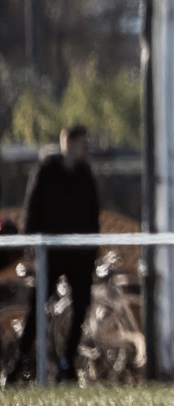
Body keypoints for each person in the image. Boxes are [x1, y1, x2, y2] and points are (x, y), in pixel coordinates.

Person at [18, 125, 102, 383]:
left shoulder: (85, 175)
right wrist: (31, 240)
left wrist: (93, 246)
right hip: (51, 252)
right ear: (69, 143)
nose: (86, 149)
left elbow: (93, 213)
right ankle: (22, 357)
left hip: (80, 255)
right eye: (83, 144)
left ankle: (67, 361)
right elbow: (32, 207)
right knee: (38, 305)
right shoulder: (46, 171)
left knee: (82, 305)